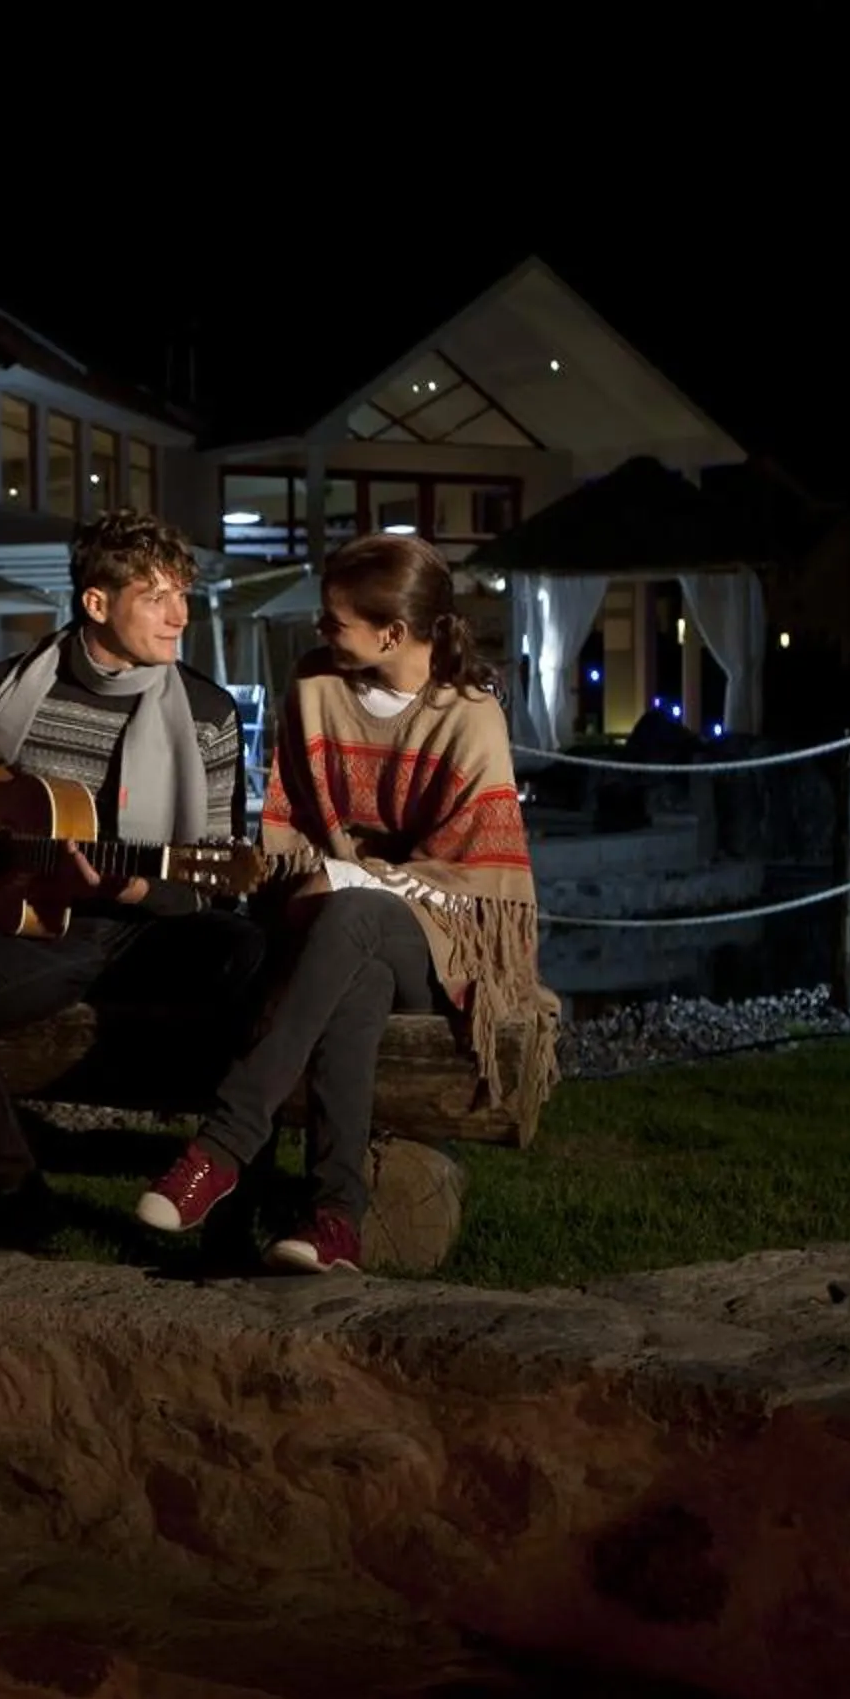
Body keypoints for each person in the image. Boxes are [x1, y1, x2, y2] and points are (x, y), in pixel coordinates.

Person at [134, 532, 550, 1273]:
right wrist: (333, 881)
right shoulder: (315, 686)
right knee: (355, 971)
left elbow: (481, 879)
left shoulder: (469, 715)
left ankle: (222, 1146)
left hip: (437, 934)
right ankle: (334, 1223)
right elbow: (291, 830)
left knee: (355, 917)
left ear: (391, 633)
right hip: (334, 929)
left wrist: (360, 879)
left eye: (335, 621)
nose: (320, 632)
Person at [0, 508, 265, 1242]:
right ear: (96, 603)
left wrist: (135, 888)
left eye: (184, 594)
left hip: (146, 915)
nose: (180, 615)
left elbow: (219, 873)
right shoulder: (13, 688)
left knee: (249, 950)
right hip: (44, 920)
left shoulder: (208, 713)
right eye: (156, 596)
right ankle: (17, 1197)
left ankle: (234, 1191)